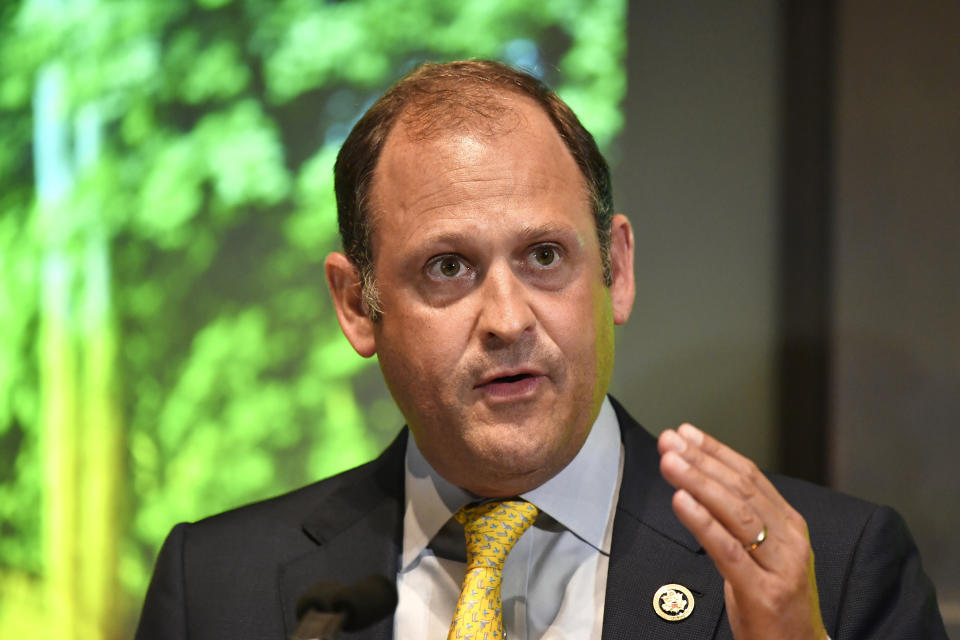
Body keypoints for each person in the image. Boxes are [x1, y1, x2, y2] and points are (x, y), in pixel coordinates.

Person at [135, 60, 947, 639]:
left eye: (545, 257)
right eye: (448, 268)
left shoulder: (837, 574)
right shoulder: (216, 589)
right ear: (358, 305)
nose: (507, 319)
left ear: (617, 271)